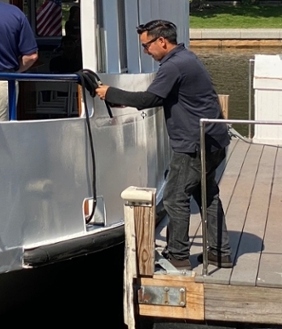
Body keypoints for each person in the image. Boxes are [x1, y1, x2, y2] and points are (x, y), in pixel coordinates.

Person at [95, 20, 233, 269]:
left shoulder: (174, 66)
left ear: (161, 41)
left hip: (194, 145)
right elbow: (160, 98)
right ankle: (219, 252)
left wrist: (110, 93)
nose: (146, 52)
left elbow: (151, 98)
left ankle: (178, 256)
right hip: (214, 139)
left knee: (174, 197)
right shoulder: (186, 58)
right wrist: (125, 100)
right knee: (207, 195)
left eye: (146, 46)